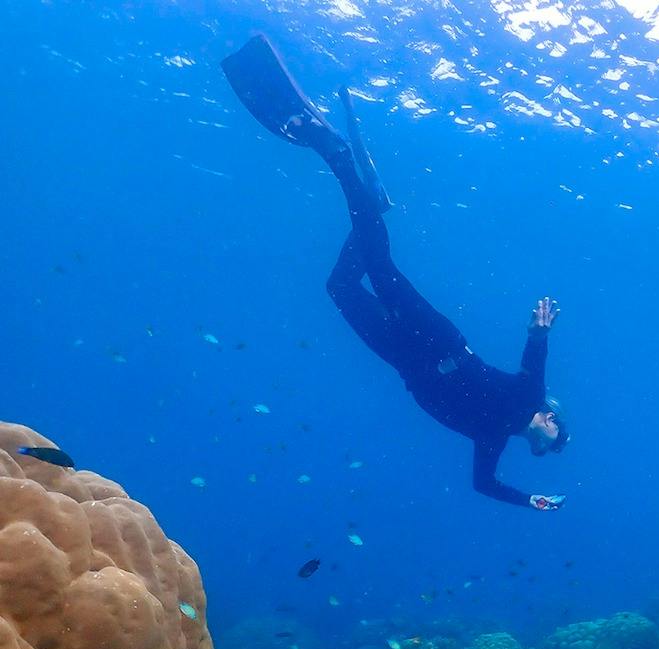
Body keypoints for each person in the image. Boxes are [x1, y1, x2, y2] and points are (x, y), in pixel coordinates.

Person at [222, 34, 569, 511]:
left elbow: (482, 485)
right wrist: (539, 330)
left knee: (339, 287)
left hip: (404, 361)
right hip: (438, 339)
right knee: (380, 265)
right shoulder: (533, 394)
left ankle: (373, 207)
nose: (548, 446)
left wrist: (529, 499)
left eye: (550, 448)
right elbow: (535, 358)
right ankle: (338, 157)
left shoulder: (493, 438)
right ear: (549, 421)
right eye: (554, 439)